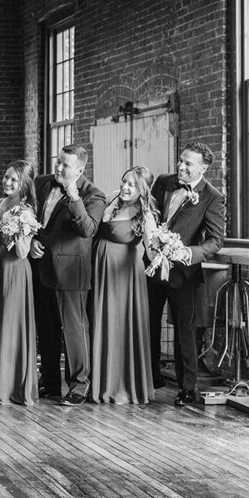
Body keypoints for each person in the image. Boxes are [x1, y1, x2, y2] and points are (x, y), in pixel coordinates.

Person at [147, 143, 225, 405]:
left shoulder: (212, 197)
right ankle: (149, 378)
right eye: (180, 161)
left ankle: (187, 388)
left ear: (203, 167)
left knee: (184, 330)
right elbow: (149, 215)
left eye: (188, 164)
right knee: (147, 324)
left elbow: (215, 241)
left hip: (183, 273)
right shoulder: (163, 182)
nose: (181, 166)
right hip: (152, 269)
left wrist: (189, 253)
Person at [31, 144, 107, 406]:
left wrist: (74, 196)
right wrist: (31, 240)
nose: (59, 168)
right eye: (58, 161)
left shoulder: (94, 195)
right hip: (40, 267)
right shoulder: (42, 183)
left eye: (65, 165)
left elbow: (87, 230)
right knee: (46, 328)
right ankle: (50, 381)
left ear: (80, 169)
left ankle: (79, 385)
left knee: (74, 329)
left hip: (71, 271)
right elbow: (32, 217)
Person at [90, 165, 158, 405]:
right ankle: (100, 384)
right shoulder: (111, 200)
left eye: (132, 184)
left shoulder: (145, 214)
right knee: (102, 322)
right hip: (101, 271)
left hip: (124, 276)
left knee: (119, 325)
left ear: (143, 190)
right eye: (124, 181)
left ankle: (122, 386)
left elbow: (152, 247)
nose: (125, 187)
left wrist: (162, 252)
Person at [0, 160, 39, 406]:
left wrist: (15, 231)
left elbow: (21, 252)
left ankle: (11, 386)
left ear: (24, 184)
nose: (7, 183)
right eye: (6, 177)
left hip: (14, 271)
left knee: (10, 325)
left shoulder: (25, 211)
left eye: (13, 180)